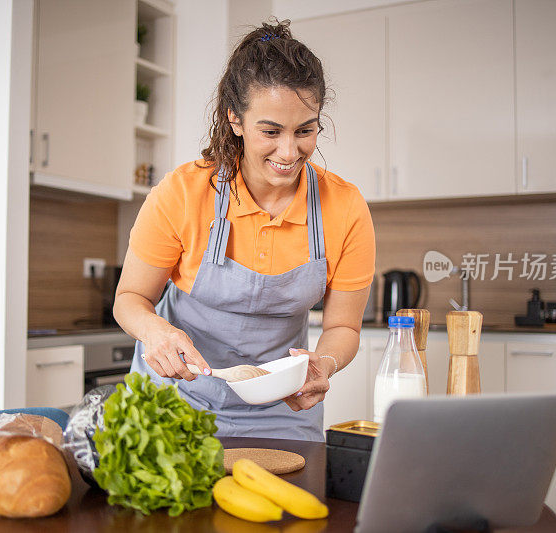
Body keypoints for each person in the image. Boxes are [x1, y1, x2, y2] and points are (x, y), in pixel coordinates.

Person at [114, 20, 375, 441]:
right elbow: (130, 299)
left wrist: (322, 365)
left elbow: (343, 329)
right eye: (270, 131)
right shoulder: (182, 193)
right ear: (235, 118)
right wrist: (156, 332)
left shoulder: (345, 208)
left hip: (282, 407)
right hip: (176, 397)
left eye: (305, 130)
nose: (289, 152)